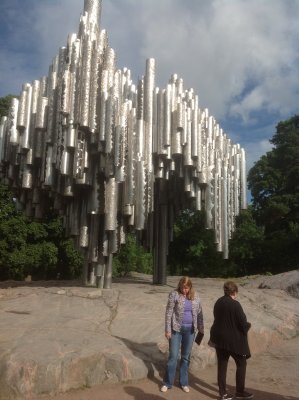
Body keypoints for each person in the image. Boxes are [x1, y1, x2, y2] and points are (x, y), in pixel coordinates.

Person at [209, 281, 253, 400]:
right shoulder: (236, 305)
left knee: (222, 366)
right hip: (234, 341)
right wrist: (248, 325)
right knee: (241, 363)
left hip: (219, 339)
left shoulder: (218, 302)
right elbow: (243, 324)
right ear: (235, 292)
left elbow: (217, 318)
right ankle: (239, 391)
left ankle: (223, 393)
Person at [160, 276, 204, 393]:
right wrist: (167, 329)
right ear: (179, 286)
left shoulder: (196, 296)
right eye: (183, 288)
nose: (185, 290)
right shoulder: (174, 294)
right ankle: (167, 382)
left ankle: (183, 382)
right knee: (173, 356)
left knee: (185, 357)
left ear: (190, 287)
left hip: (190, 331)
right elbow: (169, 312)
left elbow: (200, 313)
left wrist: (201, 328)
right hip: (176, 329)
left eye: (187, 288)